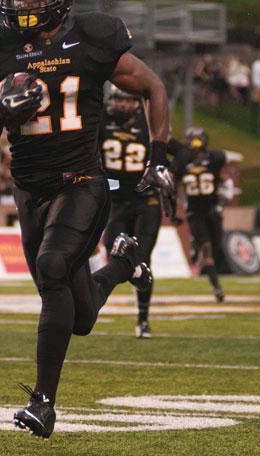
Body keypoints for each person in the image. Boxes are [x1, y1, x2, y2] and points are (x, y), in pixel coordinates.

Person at [0, 0, 174, 438]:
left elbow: (153, 87)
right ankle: (124, 264)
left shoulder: (94, 38)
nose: (23, 6)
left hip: (82, 182)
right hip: (30, 189)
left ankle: (43, 403)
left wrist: (159, 156)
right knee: (77, 316)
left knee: (53, 267)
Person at [100, 86, 189, 338]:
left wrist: (169, 172)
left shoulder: (147, 126)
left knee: (143, 257)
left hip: (145, 202)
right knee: (113, 254)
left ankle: (143, 319)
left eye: (128, 100)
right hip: (115, 202)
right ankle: (134, 273)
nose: (124, 105)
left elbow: (184, 151)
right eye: (119, 99)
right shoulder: (101, 124)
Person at [178, 127, 231, 302]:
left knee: (214, 247)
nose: (195, 142)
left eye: (197, 138)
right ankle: (217, 288)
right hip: (195, 212)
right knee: (207, 247)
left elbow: (223, 175)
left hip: (212, 210)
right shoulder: (184, 163)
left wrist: (225, 191)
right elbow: (175, 183)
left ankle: (201, 260)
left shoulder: (214, 159)